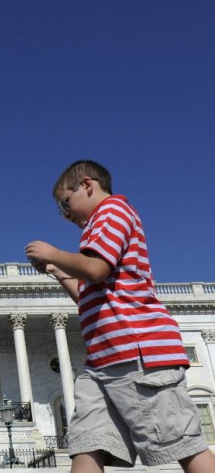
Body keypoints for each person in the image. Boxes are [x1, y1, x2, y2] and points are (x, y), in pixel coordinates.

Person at [25, 160, 215, 473]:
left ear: (87, 185)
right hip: (102, 363)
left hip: (139, 353)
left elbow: (96, 269)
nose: (65, 213)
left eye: (65, 203)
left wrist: (53, 253)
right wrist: (60, 272)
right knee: (87, 444)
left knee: (183, 444)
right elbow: (88, 295)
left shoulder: (112, 213)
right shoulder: (94, 233)